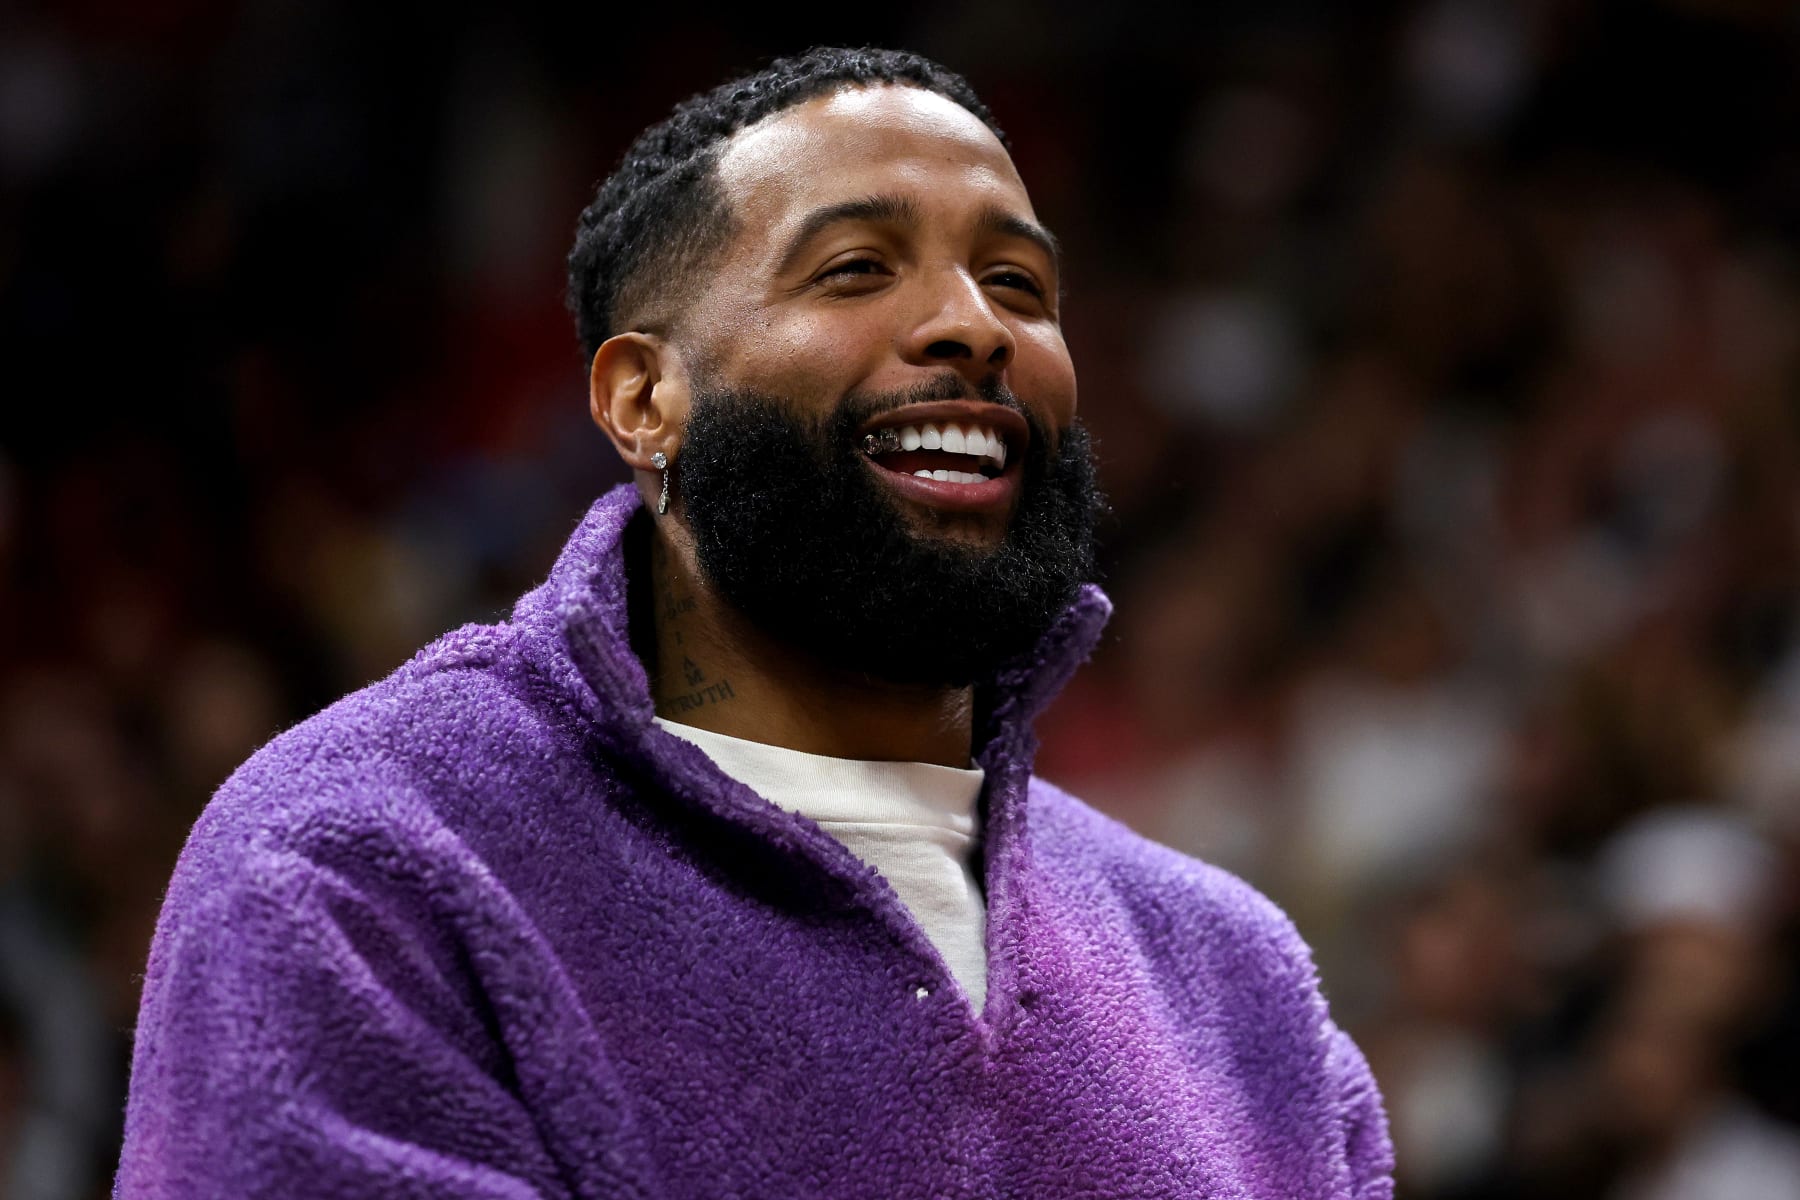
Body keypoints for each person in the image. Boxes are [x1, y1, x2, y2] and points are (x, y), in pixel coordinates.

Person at [115, 46, 1392, 1199]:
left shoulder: (1235, 980)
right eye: (855, 269)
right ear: (642, 399)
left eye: (1019, 282)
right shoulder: (369, 858)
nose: (976, 328)